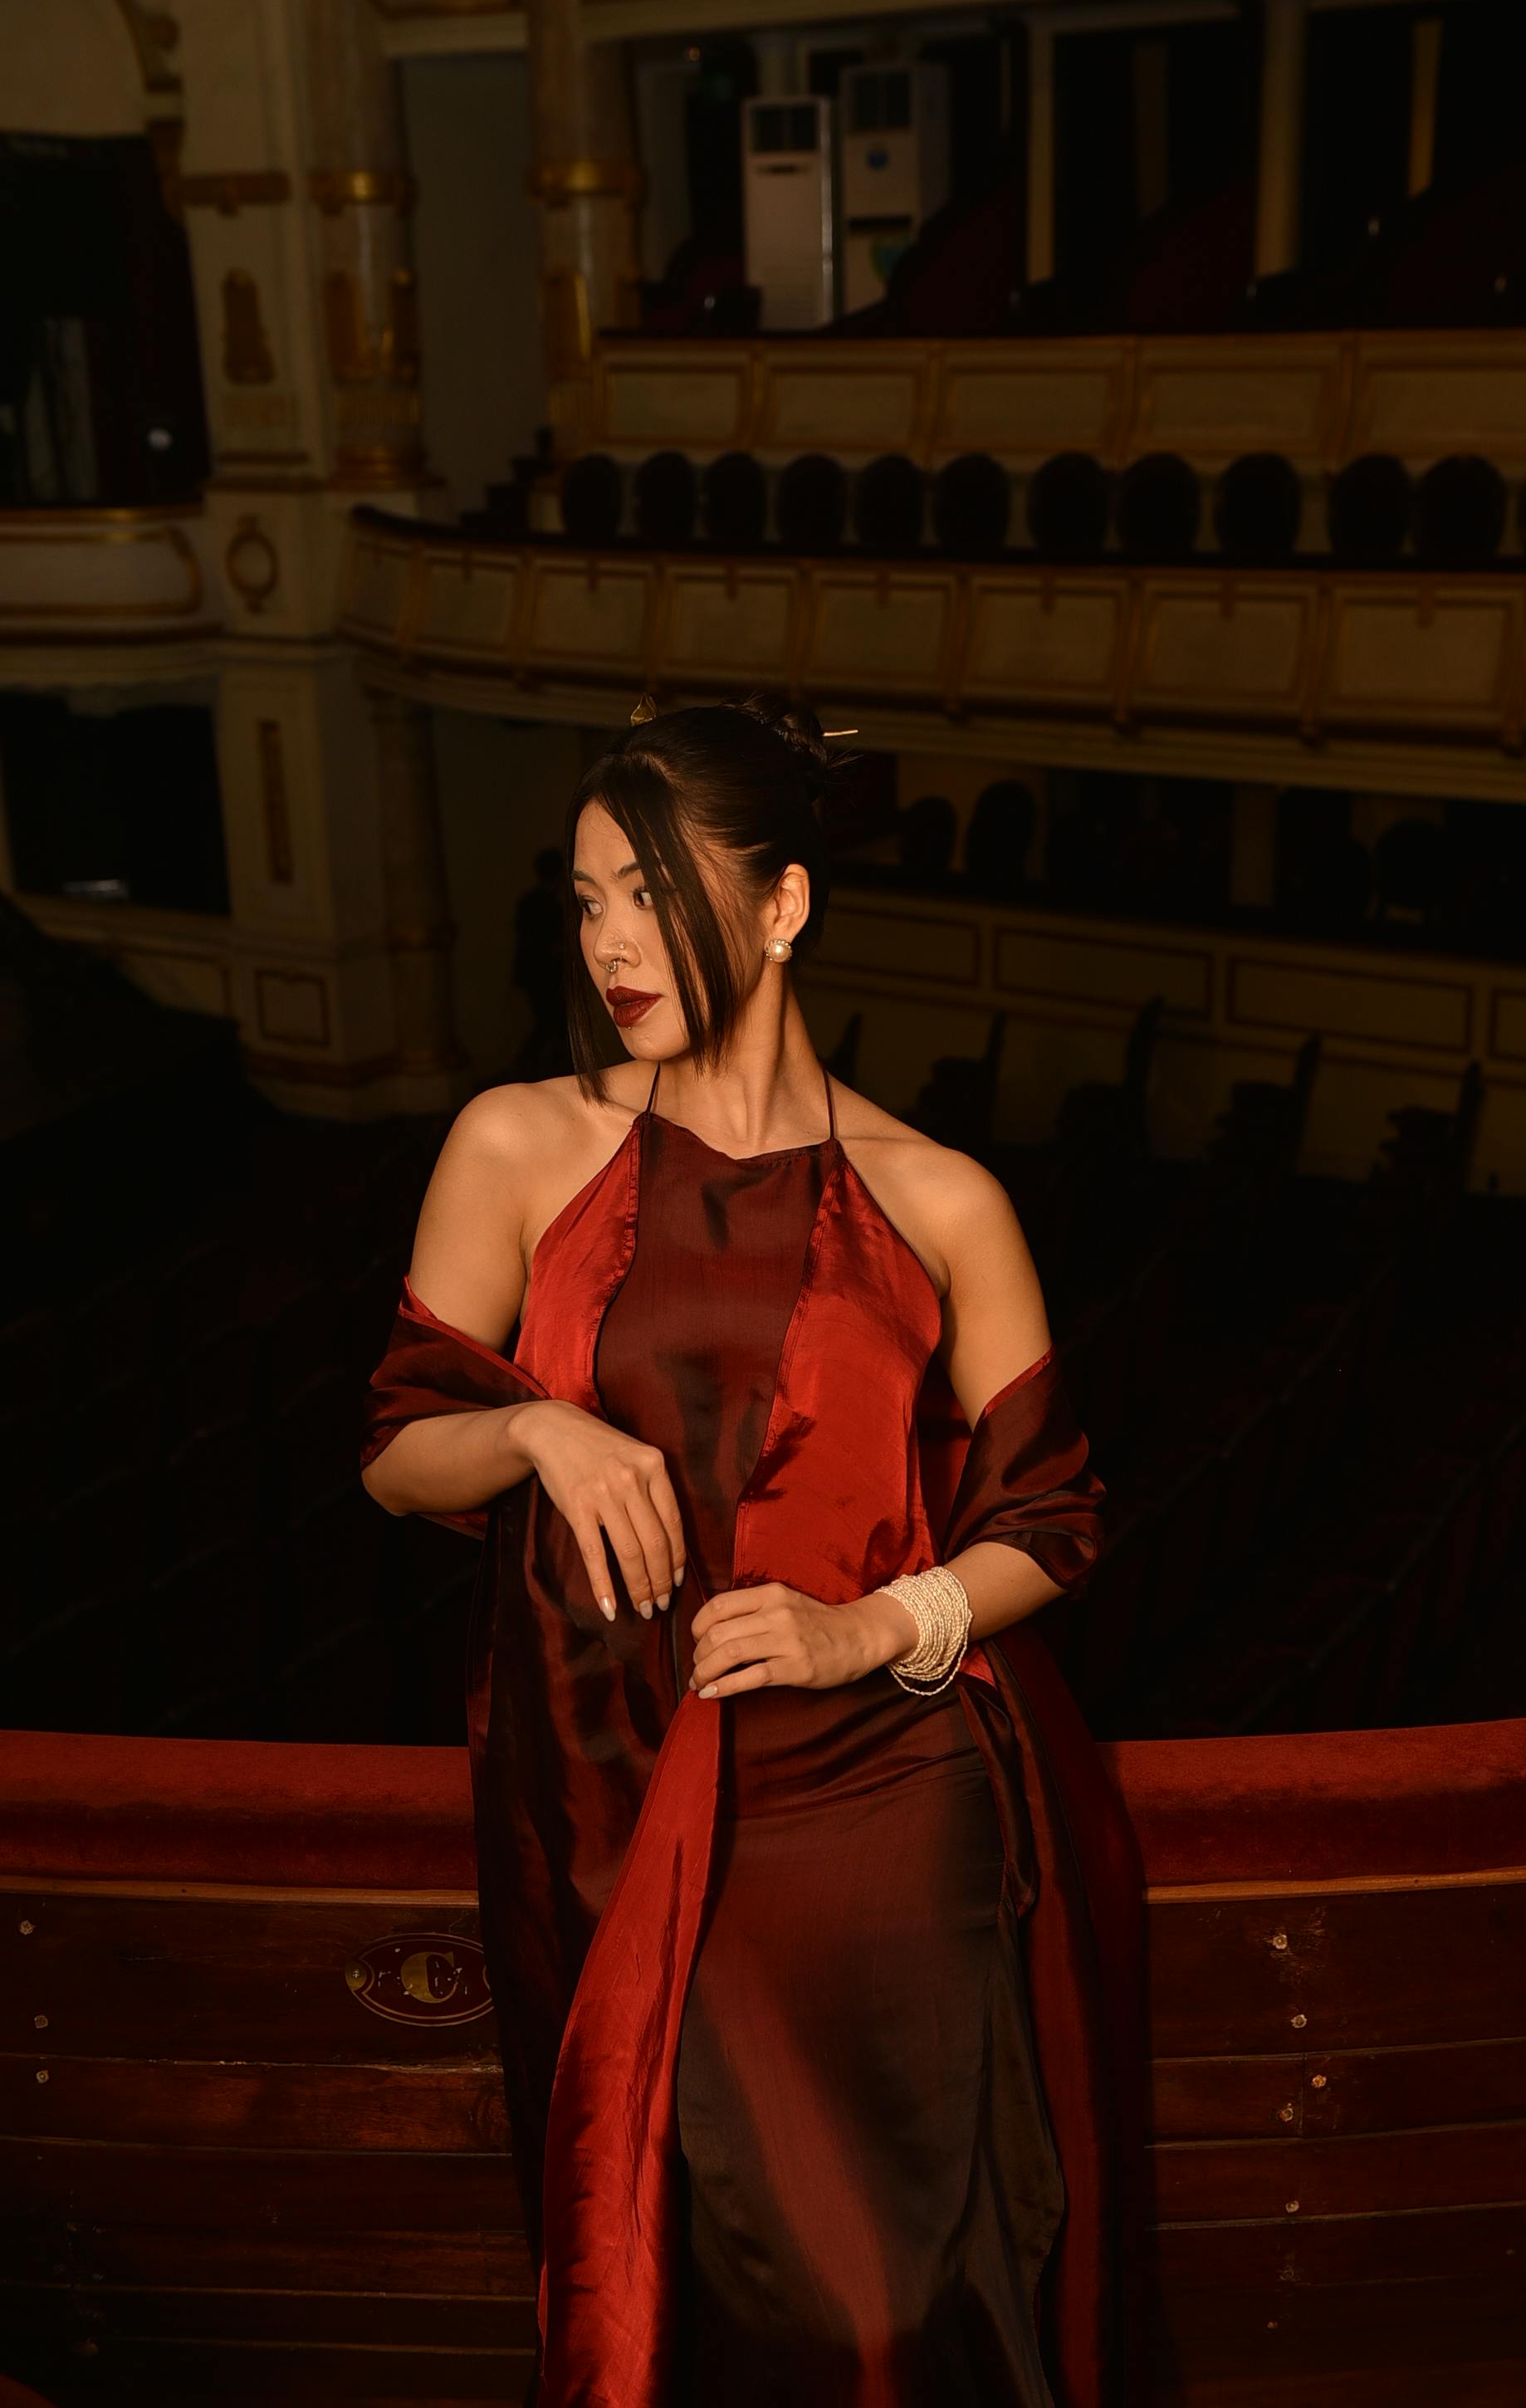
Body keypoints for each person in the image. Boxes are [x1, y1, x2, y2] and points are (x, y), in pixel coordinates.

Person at [361, 692, 1147, 2408]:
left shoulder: (939, 1197)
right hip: (603, 1785)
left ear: (783, 902)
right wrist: (535, 1431)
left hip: (877, 1804)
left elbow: (1051, 1524)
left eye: (652, 892)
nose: (609, 942)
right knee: (664, 2270)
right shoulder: (520, 1142)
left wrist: (870, 1631)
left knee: (882, 2304)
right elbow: (400, 1454)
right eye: (585, 898)